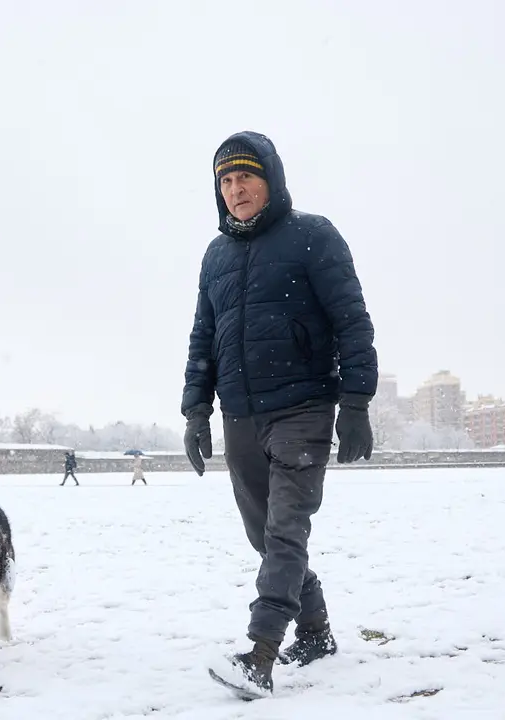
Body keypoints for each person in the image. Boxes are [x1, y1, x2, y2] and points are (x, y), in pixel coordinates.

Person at [181, 131, 377, 697]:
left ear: (271, 178)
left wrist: (356, 403)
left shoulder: (312, 237)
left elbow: (352, 320)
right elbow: (204, 337)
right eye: (226, 180)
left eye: (245, 176)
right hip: (240, 415)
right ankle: (313, 632)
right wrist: (197, 411)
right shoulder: (216, 254)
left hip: (303, 408)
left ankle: (260, 652)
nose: (236, 188)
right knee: (267, 538)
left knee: (286, 530)